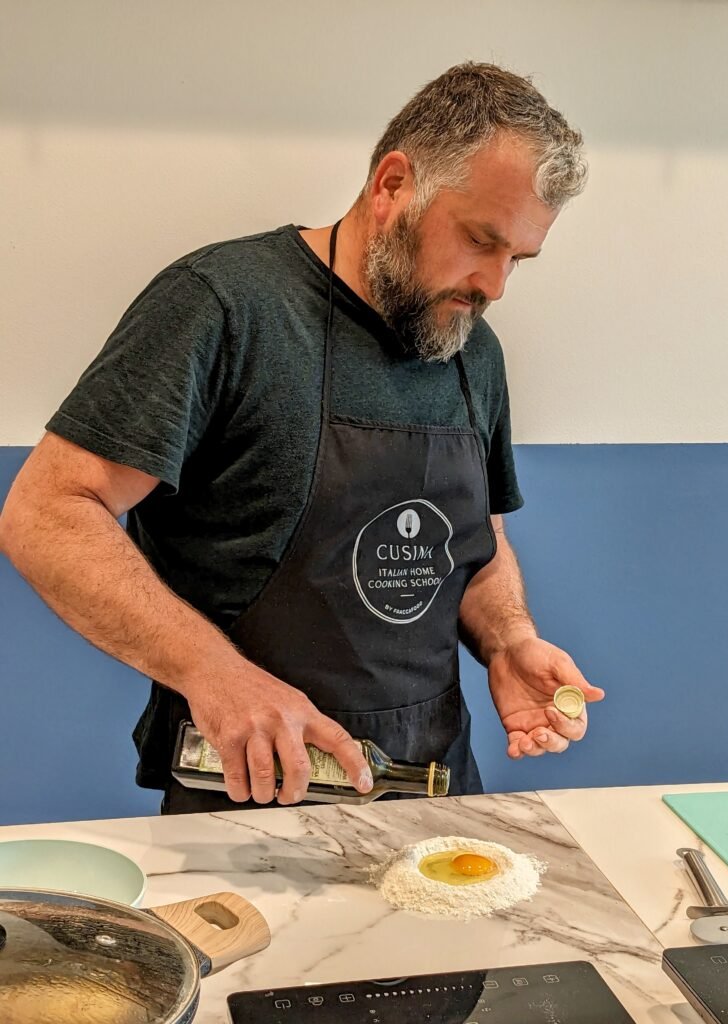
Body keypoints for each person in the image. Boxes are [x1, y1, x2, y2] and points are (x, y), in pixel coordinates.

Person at [0, 62, 604, 815]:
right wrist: (216, 675)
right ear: (392, 186)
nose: (495, 285)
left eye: (518, 257)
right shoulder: (225, 308)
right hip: (251, 804)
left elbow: (475, 541)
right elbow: (47, 511)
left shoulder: (471, 350)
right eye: (481, 239)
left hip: (436, 797)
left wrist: (510, 639)